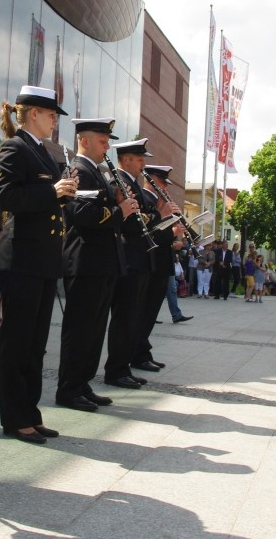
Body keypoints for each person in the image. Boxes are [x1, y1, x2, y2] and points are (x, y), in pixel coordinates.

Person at [0, 85, 74, 445]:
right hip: (23, 258)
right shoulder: (16, 147)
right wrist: (52, 192)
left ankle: (31, 412)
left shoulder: (43, 151)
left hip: (43, 258)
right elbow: (6, 195)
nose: (55, 120)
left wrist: (64, 194)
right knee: (18, 342)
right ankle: (14, 418)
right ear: (32, 114)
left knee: (36, 343)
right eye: (51, 113)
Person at [56, 117, 136, 413]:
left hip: (102, 262)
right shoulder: (77, 170)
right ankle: (68, 388)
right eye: (103, 142)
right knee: (79, 330)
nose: (107, 147)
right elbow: (82, 213)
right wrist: (119, 211)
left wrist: (118, 204)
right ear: (85, 141)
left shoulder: (98, 172)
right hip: (85, 261)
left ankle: (83, 382)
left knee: (94, 329)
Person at [104, 138, 161, 389]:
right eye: (139, 159)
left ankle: (123, 366)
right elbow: (129, 221)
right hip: (129, 258)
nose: (142, 164)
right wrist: (151, 216)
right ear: (126, 159)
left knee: (132, 317)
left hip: (140, 257)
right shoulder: (121, 181)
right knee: (124, 317)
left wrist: (152, 216)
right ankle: (116, 370)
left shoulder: (132, 183)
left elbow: (150, 216)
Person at [131, 164, 188, 373]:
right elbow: (150, 233)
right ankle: (138, 353)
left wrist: (176, 232)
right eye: (162, 182)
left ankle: (143, 351)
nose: (165, 187)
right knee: (144, 313)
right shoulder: (145, 199)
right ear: (151, 179)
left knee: (150, 312)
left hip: (162, 262)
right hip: (151, 262)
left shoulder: (157, 201)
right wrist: (171, 230)